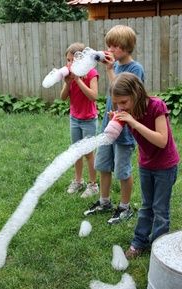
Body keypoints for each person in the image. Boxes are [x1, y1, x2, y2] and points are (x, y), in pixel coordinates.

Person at [109, 72, 179, 258]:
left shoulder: (157, 106)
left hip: (165, 165)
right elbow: (118, 134)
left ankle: (159, 249)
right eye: (117, 103)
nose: (120, 107)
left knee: (160, 209)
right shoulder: (128, 111)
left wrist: (133, 122)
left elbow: (162, 140)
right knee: (146, 206)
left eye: (123, 102)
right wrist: (115, 123)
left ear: (136, 93)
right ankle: (139, 242)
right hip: (146, 164)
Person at [84, 25, 144, 225]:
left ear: (127, 48)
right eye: (108, 45)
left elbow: (120, 91)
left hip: (124, 130)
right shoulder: (116, 66)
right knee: (103, 165)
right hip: (108, 126)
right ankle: (104, 201)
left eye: (115, 46)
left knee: (122, 170)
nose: (110, 49)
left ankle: (125, 207)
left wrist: (110, 71)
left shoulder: (135, 69)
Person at [60, 42, 99, 198]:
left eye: (72, 60)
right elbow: (63, 98)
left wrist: (78, 80)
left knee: (88, 153)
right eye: (68, 60)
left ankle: (93, 184)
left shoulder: (91, 73)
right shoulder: (69, 77)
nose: (69, 64)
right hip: (74, 118)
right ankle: (78, 181)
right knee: (76, 151)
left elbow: (94, 96)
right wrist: (67, 83)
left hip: (89, 119)